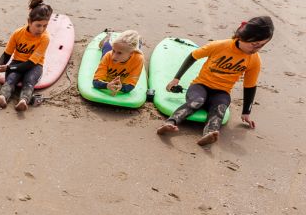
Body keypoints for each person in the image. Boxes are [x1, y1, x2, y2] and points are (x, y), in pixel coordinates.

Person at [157, 16, 273, 146]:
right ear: (242, 36)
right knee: (197, 102)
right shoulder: (220, 46)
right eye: (254, 44)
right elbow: (193, 56)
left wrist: (246, 112)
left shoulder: (254, 60)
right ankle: (170, 123)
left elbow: (250, 85)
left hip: (222, 92)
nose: (256, 49)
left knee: (220, 108)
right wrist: (176, 78)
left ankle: (209, 134)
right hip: (200, 86)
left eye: (261, 46)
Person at [0, 0, 53, 112]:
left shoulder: (45, 38)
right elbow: (7, 53)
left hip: (35, 66)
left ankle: (23, 100)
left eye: (45, 25)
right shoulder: (18, 33)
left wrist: (8, 67)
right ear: (29, 22)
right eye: (38, 25)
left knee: (29, 81)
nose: (41, 29)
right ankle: (2, 98)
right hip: (17, 62)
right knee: (11, 80)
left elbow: (30, 64)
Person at [92, 29, 144, 95]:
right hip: (111, 50)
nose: (113, 56)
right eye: (113, 51)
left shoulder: (138, 59)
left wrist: (121, 87)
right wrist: (107, 85)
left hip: (129, 51)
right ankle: (107, 40)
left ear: (131, 53)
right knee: (107, 47)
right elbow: (95, 82)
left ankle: (138, 42)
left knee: (131, 48)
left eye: (119, 53)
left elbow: (130, 86)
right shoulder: (109, 55)